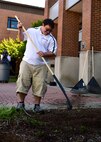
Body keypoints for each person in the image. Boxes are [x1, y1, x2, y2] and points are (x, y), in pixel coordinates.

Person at [16, 18, 57, 113]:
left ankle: (37, 106)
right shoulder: (31, 31)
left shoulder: (52, 39)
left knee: (40, 85)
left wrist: (45, 54)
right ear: (42, 25)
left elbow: (53, 53)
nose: (48, 32)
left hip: (41, 65)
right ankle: (20, 104)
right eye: (46, 29)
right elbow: (20, 39)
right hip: (27, 62)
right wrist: (19, 29)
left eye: (50, 30)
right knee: (22, 81)